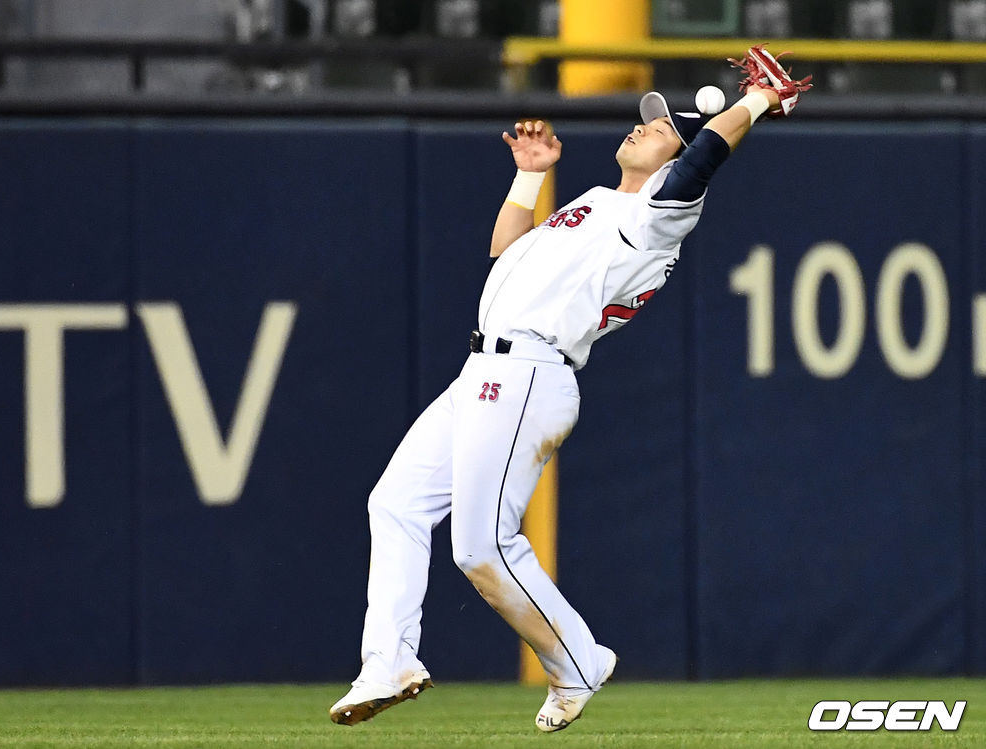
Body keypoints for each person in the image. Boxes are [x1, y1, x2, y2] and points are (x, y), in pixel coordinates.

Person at [330, 47, 808, 733]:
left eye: (662, 127)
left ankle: (575, 660)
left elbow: (706, 157)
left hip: (529, 374)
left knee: (481, 547)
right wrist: (528, 181)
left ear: (679, 152)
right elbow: (505, 258)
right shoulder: (598, 203)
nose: (643, 127)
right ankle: (388, 662)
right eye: (646, 120)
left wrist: (758, 102)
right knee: (396, 502)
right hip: (483, 372)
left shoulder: (656, 216)